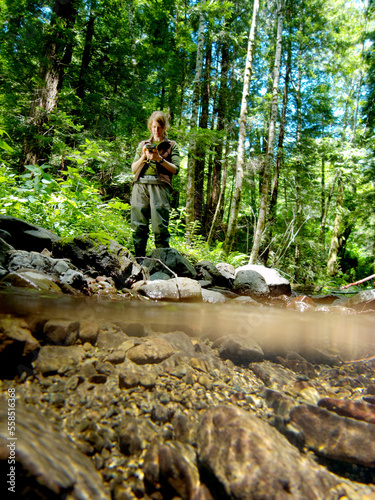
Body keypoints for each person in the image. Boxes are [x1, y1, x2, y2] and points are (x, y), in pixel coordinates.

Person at [131, 111, 180, 258]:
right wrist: (143, 157)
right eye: (153, 127)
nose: (156, 130)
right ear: (149, 127)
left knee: (160, 226)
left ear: (164, 127)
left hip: (160, 185)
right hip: (140, 184)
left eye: (158, 127)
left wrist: (159, 159)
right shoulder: (143, 145)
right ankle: (139, 258)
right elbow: (134, 169)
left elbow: (175, 169)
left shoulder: (171, 145)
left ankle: (162, 261)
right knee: (139, 225)